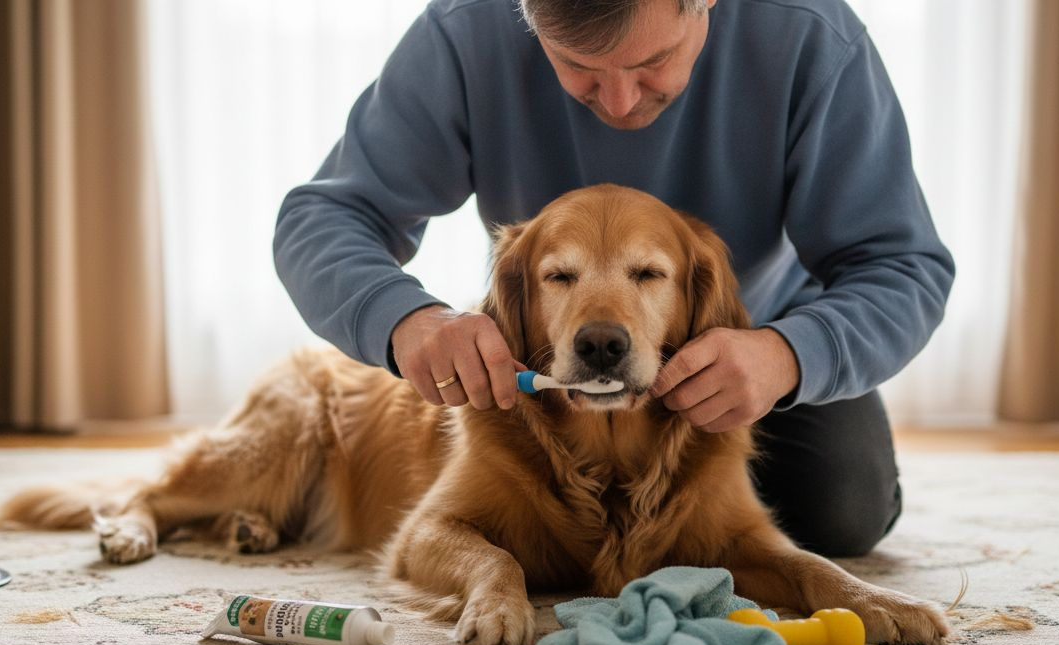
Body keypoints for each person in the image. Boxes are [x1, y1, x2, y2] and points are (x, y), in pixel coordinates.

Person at [273, 0, 954, 557]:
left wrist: (789, 354)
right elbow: (327, 214)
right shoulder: (463, 31)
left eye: (654, 61)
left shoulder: (813, 36)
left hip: (759, 349)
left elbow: (901, 265)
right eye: (578, 66)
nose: (622, 101)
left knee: (842, 511)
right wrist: (406, 319)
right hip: (547, 371)